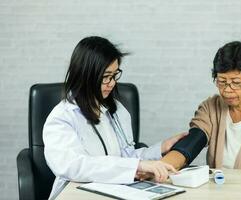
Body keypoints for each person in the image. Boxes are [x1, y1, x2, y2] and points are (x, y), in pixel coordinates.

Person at [43, 36, 186, 199]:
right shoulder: (62, 117)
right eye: (106, 77)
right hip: (76, 194)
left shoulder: (117, 111)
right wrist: (137, 165)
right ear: (86, 76)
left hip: (114, 192)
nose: (112, 83)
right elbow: (74, 166)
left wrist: (161, 148)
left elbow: (126, 158)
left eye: (114, 75)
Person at [161, 41, 241, 200]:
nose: (227, 90)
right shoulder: (211, 107)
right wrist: (161, 167)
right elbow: (192, 142)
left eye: (236, 83)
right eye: (221, 82)